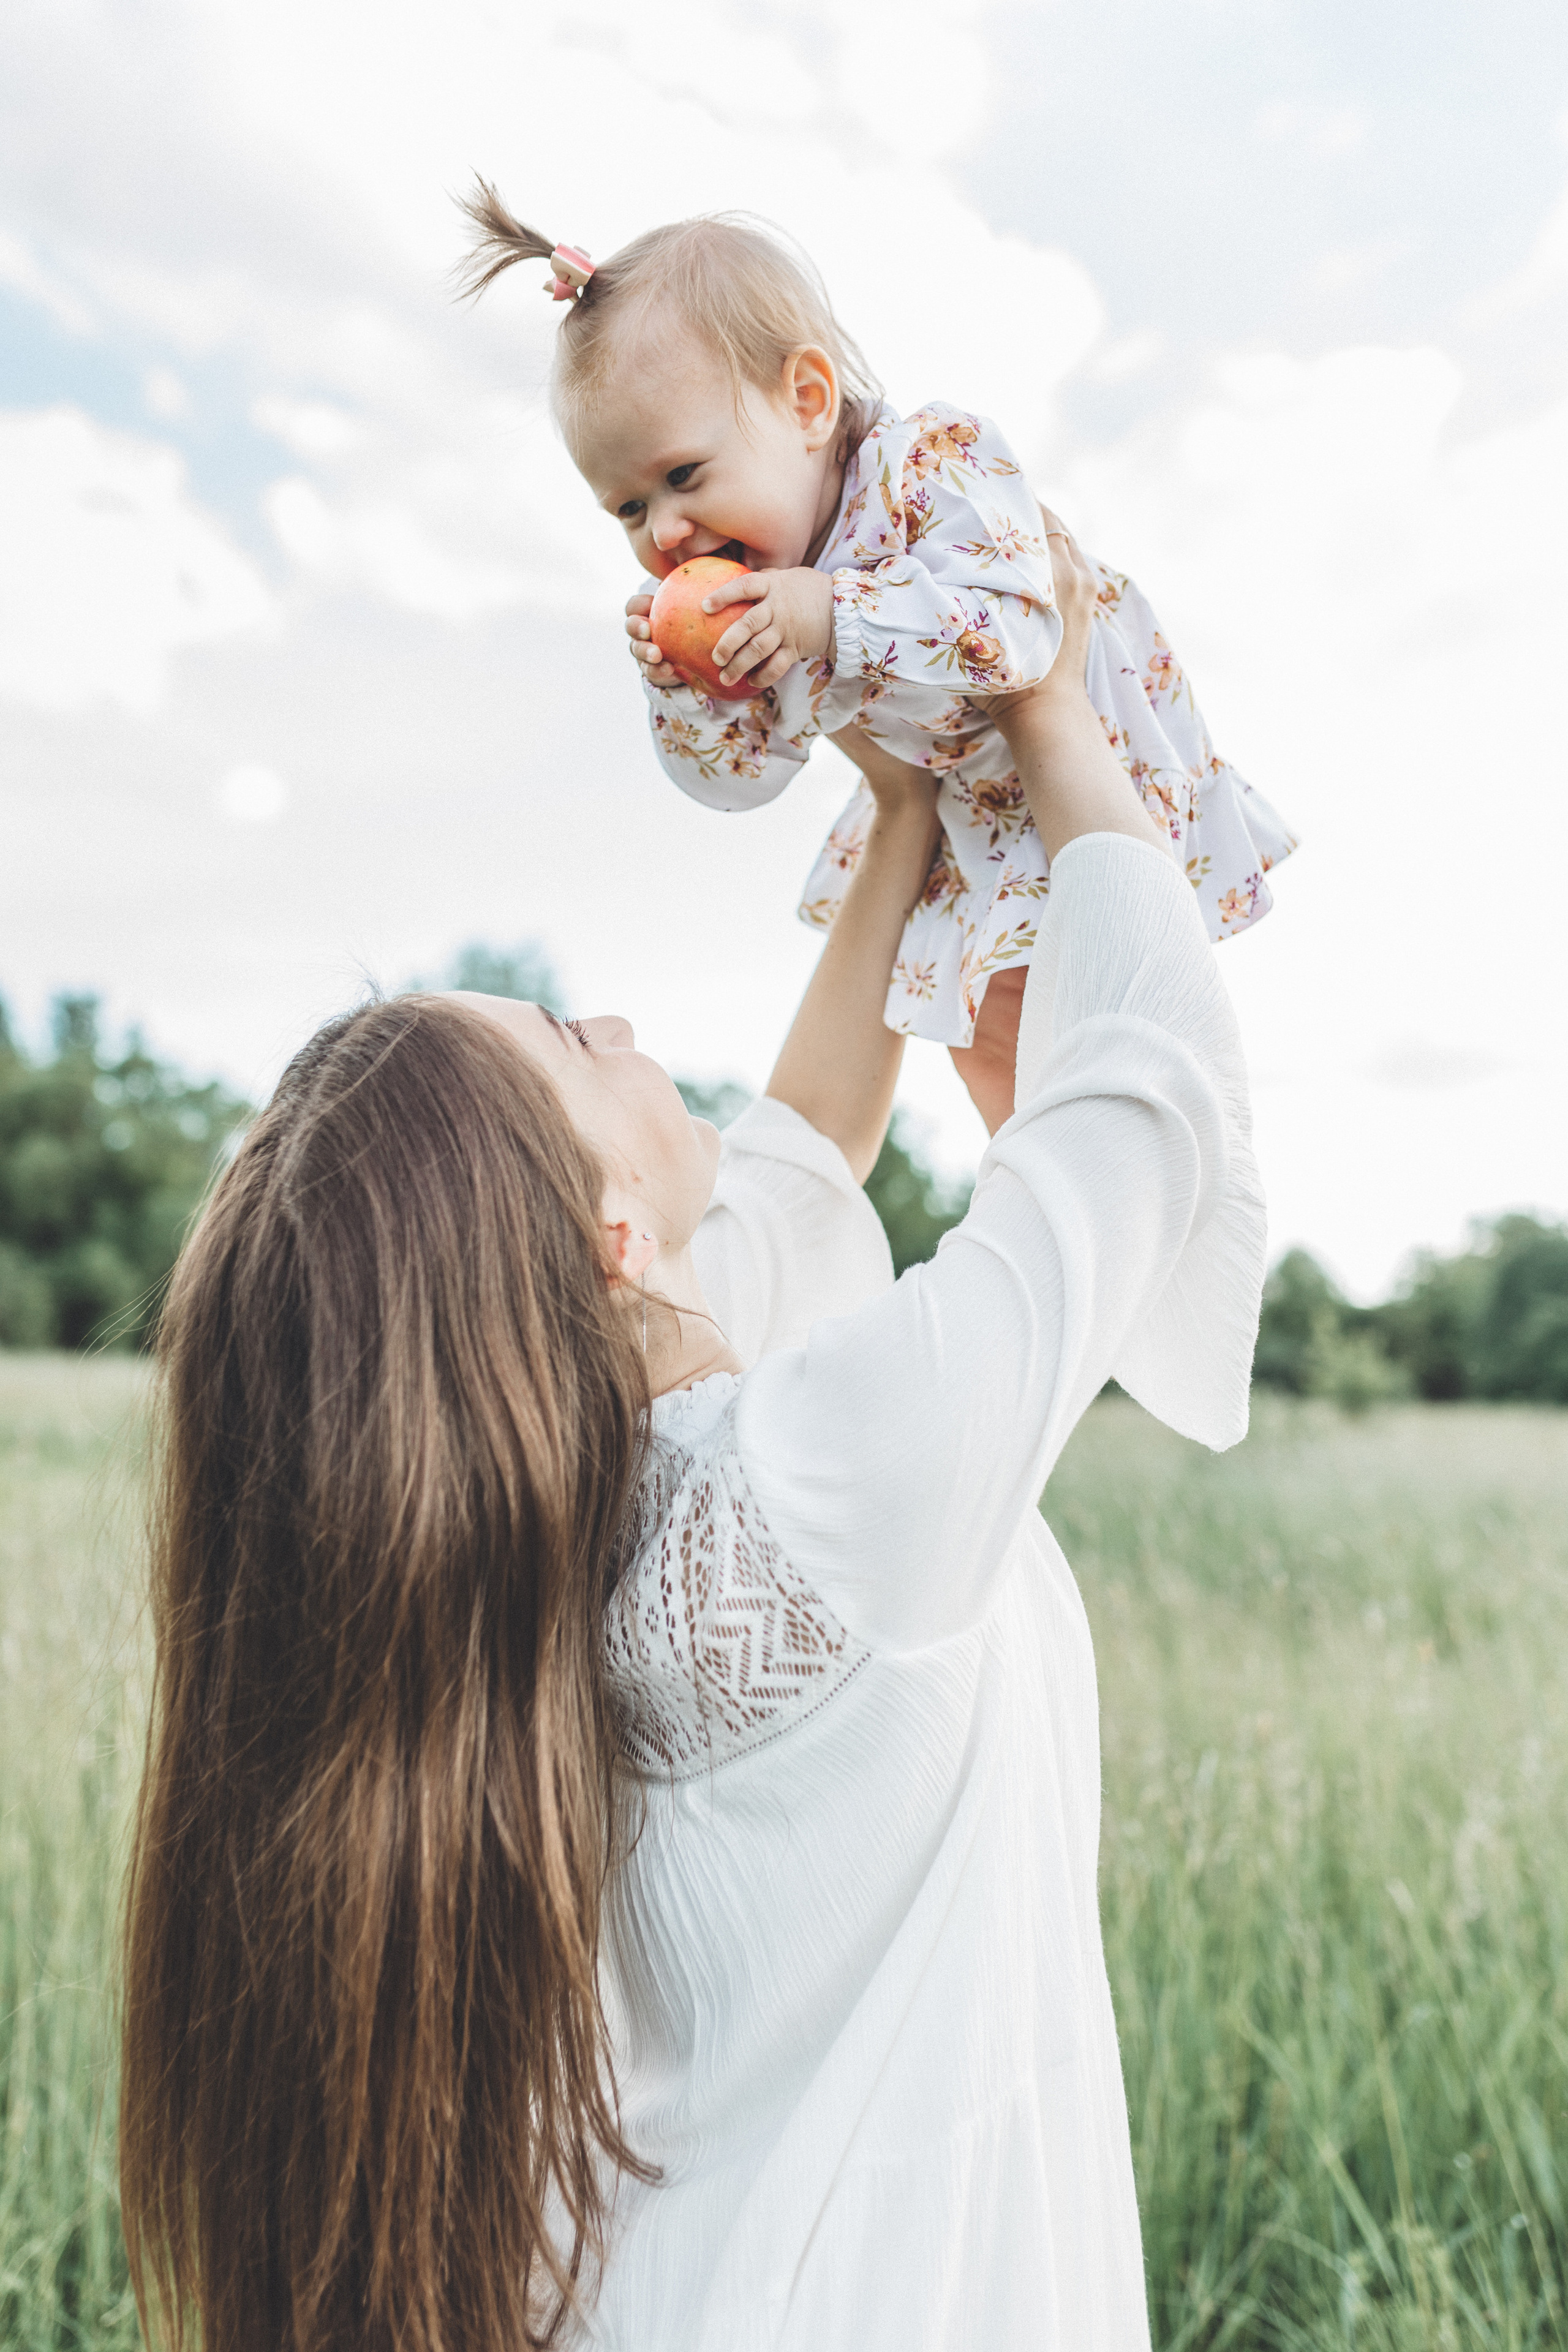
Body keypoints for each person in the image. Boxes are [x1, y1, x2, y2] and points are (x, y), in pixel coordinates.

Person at [119, 522, 1265, 2352]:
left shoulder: (574, 1500)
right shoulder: (806, 1490)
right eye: (582, 1038)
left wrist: (898, 819)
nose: (636, 1024)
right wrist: (1050, 704)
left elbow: (802, 1153)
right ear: (608, 1244)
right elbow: (1140, 1119)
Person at [456, 187, 1295, 1132]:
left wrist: (833, 611)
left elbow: (1022, 633)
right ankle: (1060, 1206)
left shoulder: (930, 465)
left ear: (807, 402)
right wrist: (690, 695)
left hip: (1081, 758)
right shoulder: (766, 590)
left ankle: (1135, 1190)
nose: (667, 530)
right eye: (629, 509)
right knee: (984, 1041)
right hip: (974, 816)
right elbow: (740, 786)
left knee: (1097, 1021)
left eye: (683, 476)